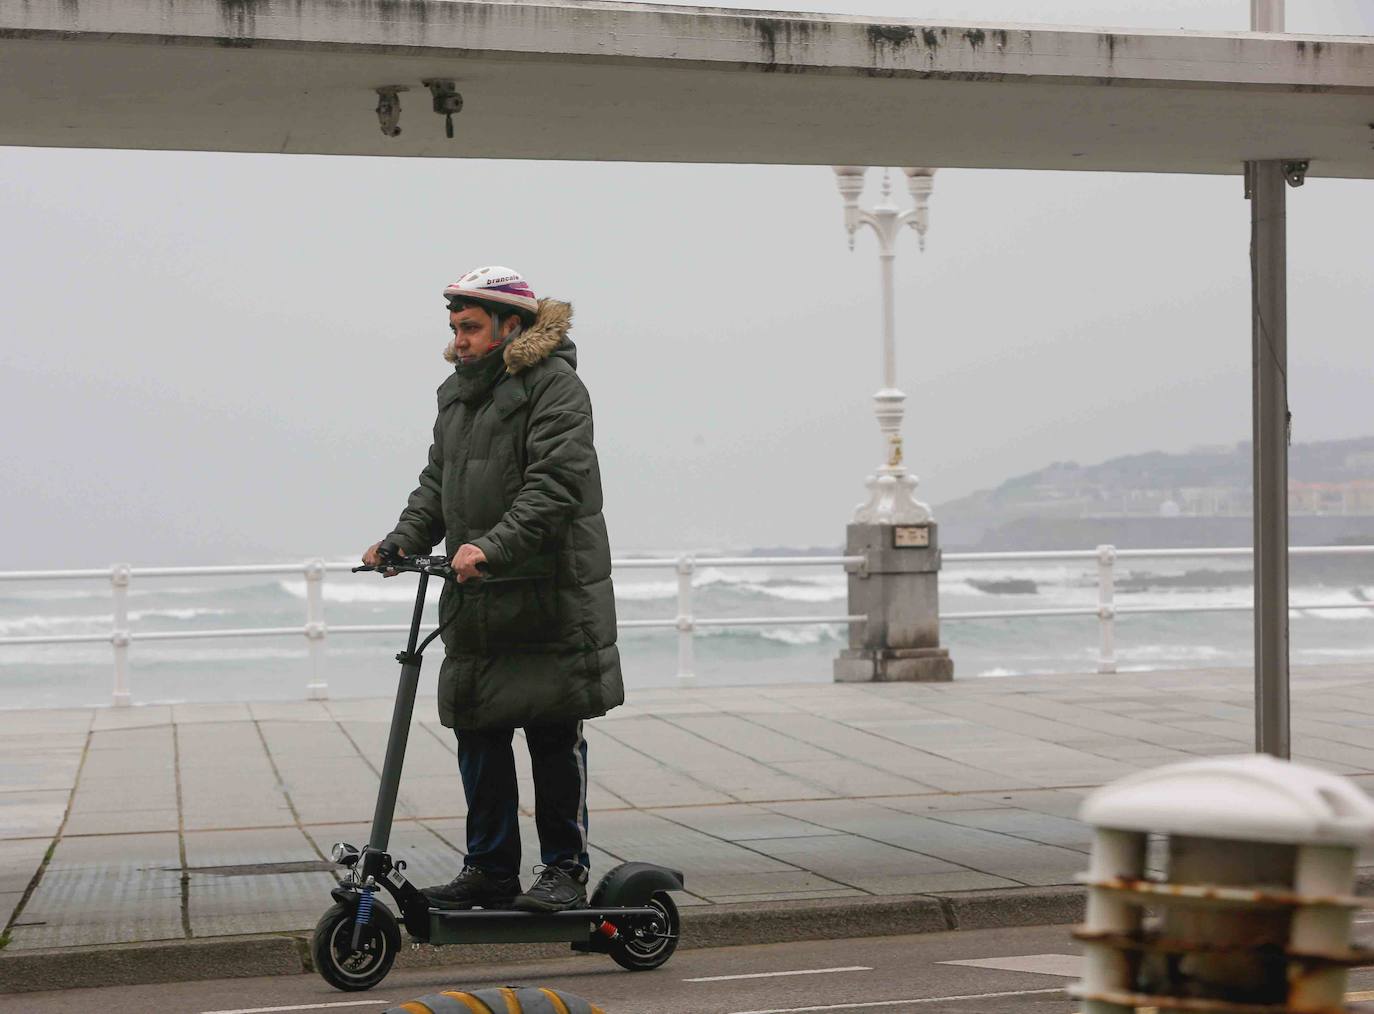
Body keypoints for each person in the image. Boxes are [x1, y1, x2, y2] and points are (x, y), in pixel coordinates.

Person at [362, 266, 623, 912]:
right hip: (480, 602)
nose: (461, 340)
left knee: (551, 736)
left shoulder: (557, 389)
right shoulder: (457, 396)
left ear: (513, 326)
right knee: (479, 732)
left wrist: (493, 546)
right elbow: (436, 487)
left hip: (548, 597)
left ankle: (564, 868)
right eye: (455, 328)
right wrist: (402, 540)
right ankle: (490, 868)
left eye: (472, 327)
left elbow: (555, 487)